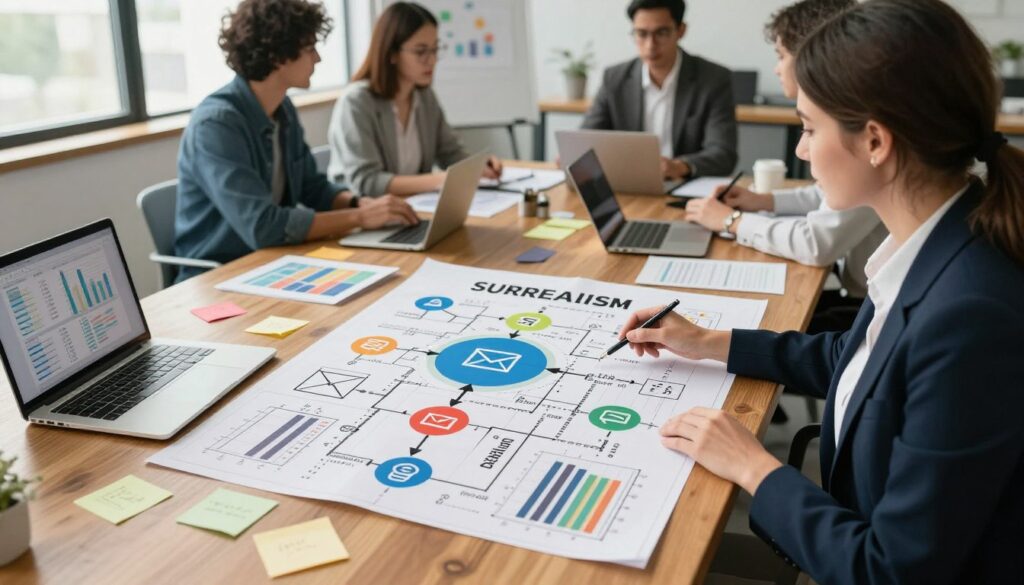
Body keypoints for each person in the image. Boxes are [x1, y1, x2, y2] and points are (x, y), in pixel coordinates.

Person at [621, 1, 1024, 582]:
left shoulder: (970, 315)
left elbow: (889, 571)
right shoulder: (937, 244)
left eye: (808, 128)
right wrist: (707, 341)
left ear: (876, 142)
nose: (801, 151)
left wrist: (754, 467)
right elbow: (857, 359)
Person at [174, 0, 417, 282]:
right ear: (279, 55)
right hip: (218, 275)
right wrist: (362, 218)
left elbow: (311, 188)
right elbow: (263, 226)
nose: (318, 59)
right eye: (310, 48)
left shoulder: (282, 108)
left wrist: (360, 205)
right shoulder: (216, 125)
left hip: (270, 264)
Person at [685, 0, 887, 332]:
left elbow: (816, 244)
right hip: (860, 299)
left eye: (781, 55)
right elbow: (827, 195)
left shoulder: (864, 138)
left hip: (862, 309)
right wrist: (764, 202)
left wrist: (732, 220)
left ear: (814, 53)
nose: (777, 69)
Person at [328, 2, 502, 197]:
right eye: (421, 51)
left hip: (414, 208)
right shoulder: (357, 102)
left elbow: (450, 153)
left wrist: (478, 166)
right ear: (392, 53)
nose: (432, 60)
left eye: (435, 49)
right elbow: (367, 182)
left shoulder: (425, 97)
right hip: (365, 214)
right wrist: (441, 179)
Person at [581, 0, 738, 179]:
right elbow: (587, 138)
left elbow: (723, 154)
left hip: (685, 187)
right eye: (641, 34)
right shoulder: (615, 79)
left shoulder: (713, 79)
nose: (650, 45)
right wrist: (574, 155)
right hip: (629, 185)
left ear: (681, 30)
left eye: (661, 33)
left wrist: (681, 166)